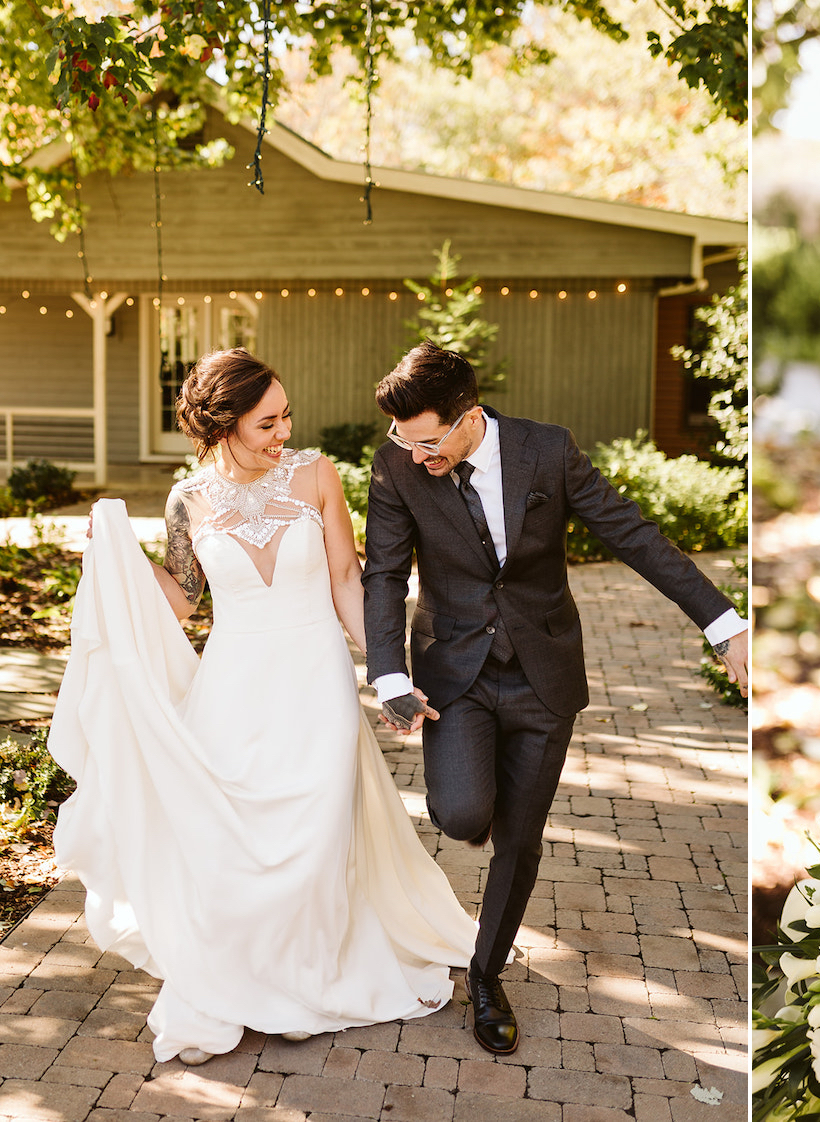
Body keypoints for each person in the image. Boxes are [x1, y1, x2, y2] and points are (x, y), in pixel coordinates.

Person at [49, 348, 476, 1067]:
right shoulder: (188, 499)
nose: (283, 432)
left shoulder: (315, 474)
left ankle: (306, 979)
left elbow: (347, 577)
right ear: (223, 423)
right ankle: (253, 975)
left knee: (313, 835)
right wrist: (117, 553)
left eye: (286, 417)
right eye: (266, 422)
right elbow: (182, 599)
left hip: (316, 681)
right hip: (234, 689)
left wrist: (387, 672)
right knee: (236, 844)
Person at [362, 341, 749, 1055]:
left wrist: (725, 626)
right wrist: (387, 674)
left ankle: (486, 975)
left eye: (428, 440)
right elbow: (384, 574)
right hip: (455, 676)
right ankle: (480, 796)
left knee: (520, 838)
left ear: (468, 418)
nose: (417, 455)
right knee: (461, 812)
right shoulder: (395, 467)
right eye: (404, 440)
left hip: (544, 671)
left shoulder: (547, 451)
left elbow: (633, 535)